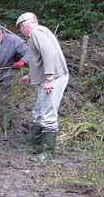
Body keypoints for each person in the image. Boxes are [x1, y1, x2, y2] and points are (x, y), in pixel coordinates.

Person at [16, 12, 69, 161]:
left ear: (25, 25)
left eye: (20, 28)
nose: (22, 32)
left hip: (55, 78)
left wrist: (49, 78)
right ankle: (36, 144)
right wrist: (31, 76)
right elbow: (39, 59)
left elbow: (49, 54)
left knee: (48, 113)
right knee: (39, 111)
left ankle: (47, 152)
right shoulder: (41, 32)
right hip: (50, 77)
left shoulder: (36, 33)